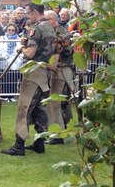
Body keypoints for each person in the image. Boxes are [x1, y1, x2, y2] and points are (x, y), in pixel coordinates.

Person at [1, 2, 55, 156]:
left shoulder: (37, 29)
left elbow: (30, 53)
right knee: (40, 109)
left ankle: (19, 145)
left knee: (23, 108)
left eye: (28, 12)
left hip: (33, 73)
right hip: (45, 72)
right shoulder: (50, 27)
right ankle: (39, 143)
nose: (27, 15)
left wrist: (22, 48)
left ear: (35, 12)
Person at [44, 10, 75, 145]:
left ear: (52, 19)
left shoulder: (59, 33)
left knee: (54, 100)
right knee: (65, 100)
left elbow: (56, 53)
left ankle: (57, 135)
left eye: (45, 20)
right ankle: (68, 127)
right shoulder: (60, 31)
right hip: (64, 68)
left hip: (61, 69)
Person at [0, 24, 23, 102]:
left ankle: (11, 96)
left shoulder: (19, 39)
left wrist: (18, 58)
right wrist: (6, 57)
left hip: (16, 61)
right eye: (9, 30)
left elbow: (21, 49)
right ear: (6, 30)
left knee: (13, 79)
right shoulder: (2, 38)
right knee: (5, 79)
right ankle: (5, 96)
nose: (11, 31)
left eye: (12, 30)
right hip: (5, 61)